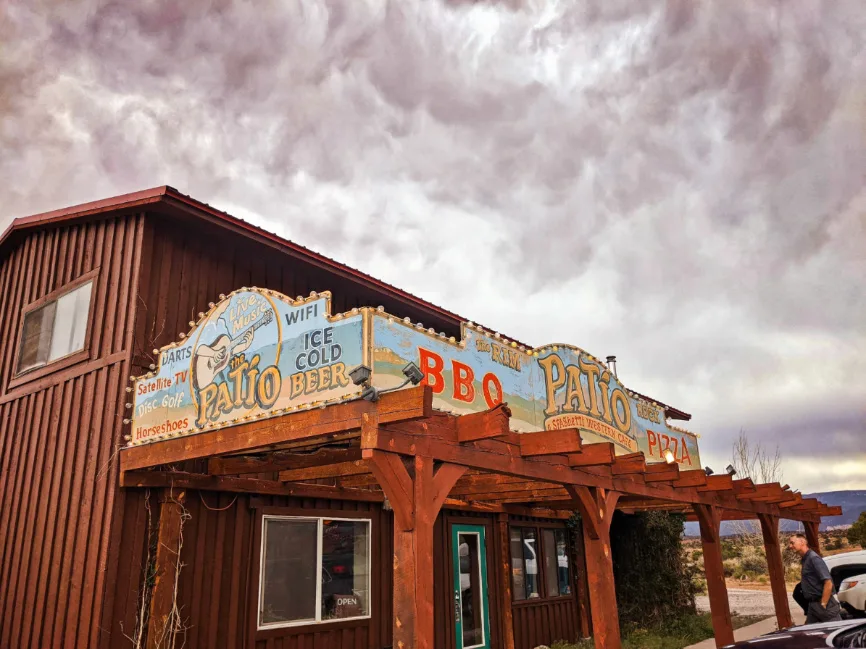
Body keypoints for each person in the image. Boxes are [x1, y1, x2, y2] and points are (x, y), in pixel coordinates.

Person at [788, 533, 842, 624]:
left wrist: (823, 603)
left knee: (837, 633)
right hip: (813, 605)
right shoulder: (805, 559)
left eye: (792, 543)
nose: (790, 546)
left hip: (825, 606)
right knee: (809, 633)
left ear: (802, 542)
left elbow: (828, 582)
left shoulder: (813, 558)